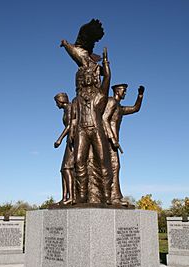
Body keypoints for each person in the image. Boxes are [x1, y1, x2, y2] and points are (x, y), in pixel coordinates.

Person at [69, 48, 112, 204]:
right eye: (84, 76)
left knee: (103, 162)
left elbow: (107, 77)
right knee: (79, 161)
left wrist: (105, 61)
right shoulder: (77, 98)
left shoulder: (100, 95)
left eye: (90, 76)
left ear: (94, 78)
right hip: (82, 130)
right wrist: (73, 130)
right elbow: (74, 118)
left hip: (96, 129)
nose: (87, 78)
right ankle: (81, 196)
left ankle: (107, 196)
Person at [103, 84, 145, 205]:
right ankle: (113, 197)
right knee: (114, 167)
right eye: (123, 91)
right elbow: (104, 119)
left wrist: (140, 96)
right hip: (108, 141)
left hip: (113, 142)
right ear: (117, 91)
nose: (125, 93)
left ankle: (115, 196)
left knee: (115, 167)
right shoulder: (111, 102)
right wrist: (112, 138)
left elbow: (135, 108)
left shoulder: (120, 108)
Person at [54, 93, 74, 204]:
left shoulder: (69, 107)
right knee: (64, 170)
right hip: (70, 142)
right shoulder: (66, 109)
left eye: (56, 102)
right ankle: (64, 198)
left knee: (67, 168)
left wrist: (59, 139)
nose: (56, 105)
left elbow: (70, 125)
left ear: (61, 100)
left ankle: (71, 197)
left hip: (73, 142)